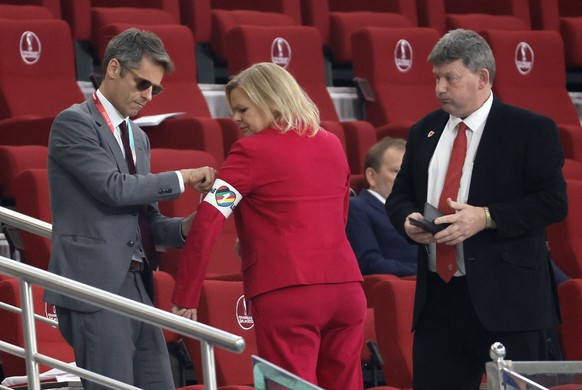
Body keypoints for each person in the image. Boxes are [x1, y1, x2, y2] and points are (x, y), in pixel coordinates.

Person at [385, 29, 568, 390]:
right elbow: (399, 195)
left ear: (482, 77)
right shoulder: (425, 130)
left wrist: (485, 217)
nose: (438, 88)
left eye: (449, 78)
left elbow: (552, 202)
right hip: (438, 301)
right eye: (436, 78)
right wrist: (407, 221)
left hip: (509, 302)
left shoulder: (529, 129)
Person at [172, 62, 366, 389]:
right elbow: (336, 217)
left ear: (271, 100)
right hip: (346, 291)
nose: (235, 119)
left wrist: (186, 295)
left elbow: (207, 221)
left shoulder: (249, 151)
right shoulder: (332, 143)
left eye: (243, 109)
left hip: (287, 294)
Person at [43, 28, 215, 390]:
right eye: (142, 84)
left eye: (156, 89)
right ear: (114, 68)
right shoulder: (73, 122)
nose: (149, 96)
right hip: (95, 283)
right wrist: (182, 176)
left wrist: (189, 227)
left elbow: (147, 219)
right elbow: (113, 189)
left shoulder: (139, 137)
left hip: (139, 282)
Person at [346, 137, 417, 276]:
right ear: (372, 176)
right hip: (396, 289)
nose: (406, 180)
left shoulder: (416, 208)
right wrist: (426, 272)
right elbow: (370, 263)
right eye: (397, 172)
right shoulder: (357, 208)